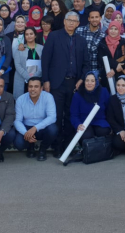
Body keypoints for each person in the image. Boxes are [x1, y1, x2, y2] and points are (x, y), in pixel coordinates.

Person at [41, 11, 89, 156]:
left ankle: (68, 146)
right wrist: (46, 80)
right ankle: (56, 146)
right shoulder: (54, 36)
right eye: (69, 20)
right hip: (56, 83)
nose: (71, 23)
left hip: (74, 84)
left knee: (70, 116)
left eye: (74, 21)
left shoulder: (81, 40)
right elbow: (45, 59)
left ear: (78, 24)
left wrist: (81, 79)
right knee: (56, 116)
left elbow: (86, 63)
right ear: (64, 21)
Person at [14, 77, 58, 161]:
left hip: (42, 128)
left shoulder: (48, 97)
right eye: (30, 86)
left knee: (53, 129)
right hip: (27, 127)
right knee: (19, 144)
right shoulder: (20, 99)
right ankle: (30, 147)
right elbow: (17, 121)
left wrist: (35, 128)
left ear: (41, 88)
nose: (33, 89)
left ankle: (43, 149)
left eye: (36, 86)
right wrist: (26, 133)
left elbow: (52, 117)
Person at [70, 71, 112, 148]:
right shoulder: (77, 95)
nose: (89, 83)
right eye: (87, 80)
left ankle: (101, 150)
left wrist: (110, 124)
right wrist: (78, 124)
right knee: (86, 135)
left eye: (92, 81)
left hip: (100, 121)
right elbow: (74, 115)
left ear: (96, 82)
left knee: (103, 131)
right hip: (84, 122)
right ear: (84, 82)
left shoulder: (103, 92)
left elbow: (109, 110)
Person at [97, 20, 125, 89]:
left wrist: (115, 70)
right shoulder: (103, 42)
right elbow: (100, 58)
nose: (113, 31)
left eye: (116, 29)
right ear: (108, 29)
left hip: (121, 75)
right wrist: (116, 65)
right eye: (111, 28)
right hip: (106, 75)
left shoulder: (124, 42)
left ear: (119, 30)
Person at [12, 26, 43, 100]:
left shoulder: (42, 48)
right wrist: (28, 77)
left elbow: (44, 64)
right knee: (21, 101)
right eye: (27, 34)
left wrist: (35, 76)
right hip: (22, 79)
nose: (29, 36)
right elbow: (17, 65)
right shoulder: (20, 49)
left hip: (37, 79)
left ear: (35, 35)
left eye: (31, 34)